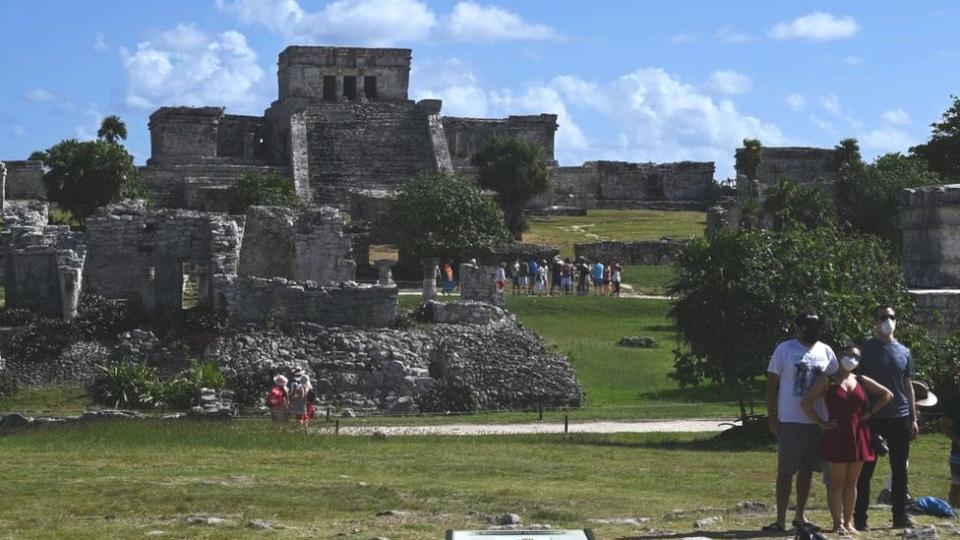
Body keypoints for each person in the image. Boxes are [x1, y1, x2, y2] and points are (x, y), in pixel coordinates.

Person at [801, 346, 893, 535]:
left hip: (859, 435)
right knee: (837, 482)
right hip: (836, 435)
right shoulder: (827, 380)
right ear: (840, 356)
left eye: (856, 356)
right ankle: (837, 523)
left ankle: (849, 522)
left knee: (852, 482)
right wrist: (821, 423)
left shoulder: (860, 379)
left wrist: (869, 413)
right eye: (848, 355)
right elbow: (806, 403)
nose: (851, 359)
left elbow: (887, 394)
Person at [763, 312, 839, 533]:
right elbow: (771, 384)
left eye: (816, 326)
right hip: (790, 420)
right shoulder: (785, 349)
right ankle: (780, 519)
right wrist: (772, 416)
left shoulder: (826, 350)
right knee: (786, 471)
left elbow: (837, 381)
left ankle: (800, 516)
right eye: (808, 326)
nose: (813, 330)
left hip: (817, 421)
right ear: (798, 328)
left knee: (808, 469)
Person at [854, 305, 918, 530]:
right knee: (865, 471)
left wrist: (913, 417)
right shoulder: (865, 349)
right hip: (873, 418)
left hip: (899, 417)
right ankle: (859, 518)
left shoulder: (904, 351)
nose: (888, 320)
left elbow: (908, 385)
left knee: (900, 470)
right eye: (883, 317)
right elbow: (856, 381)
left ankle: (900, 516)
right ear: (875, 321)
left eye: (891, 317)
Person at [942, 389, 960, 508]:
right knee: (956, 486)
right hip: (958, 452)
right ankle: (953, 513)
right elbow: (945, 426)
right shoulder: (955, 401)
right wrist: (958, 441)